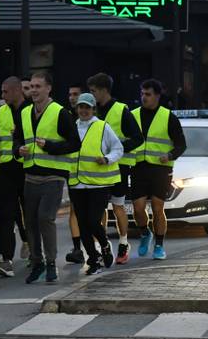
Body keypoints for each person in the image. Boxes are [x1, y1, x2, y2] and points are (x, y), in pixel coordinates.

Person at [14, 71, 81, 283]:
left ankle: (51, 263)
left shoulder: (60, 113)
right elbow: (17, 139)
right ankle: (37, 262)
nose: (34, 90)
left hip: (53, 175)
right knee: (30, 221)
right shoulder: (25, 112)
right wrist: (18, 150)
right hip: (30, 175)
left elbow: (75, 143)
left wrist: (51, 146)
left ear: (48, 88)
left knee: (45, 217)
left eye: (38, 86)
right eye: (32, 86)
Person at [88, 72, 144, 265]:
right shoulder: (91, 111)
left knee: (117, 205)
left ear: (104, 90)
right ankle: (101, 245)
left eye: (93, 91)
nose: (91, 95)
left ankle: (123, 243)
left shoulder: (121, 110)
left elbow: (138, 138)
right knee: (99, 208)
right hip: (97, 168)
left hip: (119, 167)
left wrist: (117, 148)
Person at [129, 79, 187, 260]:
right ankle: (145, 233)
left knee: (157, 206)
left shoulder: (168, 117)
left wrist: (169, 155)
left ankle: (159, 245)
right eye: (142, 94)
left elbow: (181, 145)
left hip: (160, 169)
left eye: (148, 94)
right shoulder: (132, 115)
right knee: (138, 208)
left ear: (157, 96)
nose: (144, 97)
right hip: (138, 167)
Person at [68, 93, 123, 275]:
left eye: (87, 107)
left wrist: (107, 159)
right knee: (83, 225)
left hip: (98, 184)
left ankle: (105, 245)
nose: (83, 110)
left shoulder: (102, 127)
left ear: (93, 109)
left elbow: (118, 148)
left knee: (92, 221)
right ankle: (94, 259)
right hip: (77, 183)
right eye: (81, 107)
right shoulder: (71, 127)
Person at [0, 76, 29, 277]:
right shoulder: (1, 111)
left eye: (6, 91)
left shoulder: (31, 110)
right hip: (4, 170)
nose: (2, 95)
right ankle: (6, 259)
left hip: (27, 169)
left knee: (30, 215)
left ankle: (35, 252)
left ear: (17, 90)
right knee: (4, 215)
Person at [65, 82, 84, 262]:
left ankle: (98, 245)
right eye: (70, 94)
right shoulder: (67, 117)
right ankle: (77, 248)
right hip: (72, 170)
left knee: (94, 213)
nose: (72, 98)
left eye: (75, 94)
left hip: (93, 172)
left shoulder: (96, 121)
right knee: (74, 209)